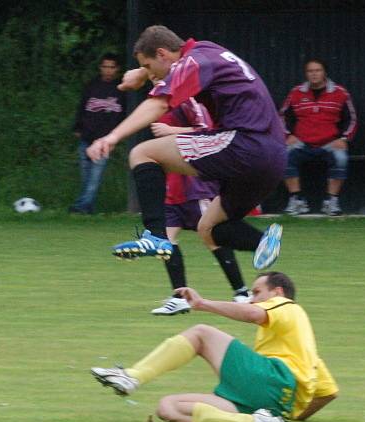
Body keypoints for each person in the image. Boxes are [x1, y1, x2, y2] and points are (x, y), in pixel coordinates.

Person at [86, 25, 285, 270]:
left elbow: (159, 104)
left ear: (161, 54)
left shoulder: (193, 62)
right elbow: (170, 66)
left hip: (244, 144)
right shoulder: (207, 51)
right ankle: (264, 241)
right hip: (274, 158)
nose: (151, 75)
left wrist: (112, 137)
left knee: (143, 153)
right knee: (208, 228)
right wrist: (143, 72)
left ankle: (156, 236)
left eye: (149, 66)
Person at [91, 272, 339, 422]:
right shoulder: (306, 352)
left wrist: (202, 304)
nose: (252, 299)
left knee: (201, 333)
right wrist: (290, 413)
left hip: (272, 379)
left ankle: (132, 376)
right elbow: (328, 393)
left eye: (256, 293)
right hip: (270, 403)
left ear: (278, 292)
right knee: (168, 408)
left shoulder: (287, 306)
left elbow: (253, 314)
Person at [149, 99, 253, 315]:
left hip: (195, 186)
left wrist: (171, 130)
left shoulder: (188, 102)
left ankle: (242, 292)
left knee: (212, 237)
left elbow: (208, 131)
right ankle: (180, 297)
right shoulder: (159, 104)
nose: (156, 81)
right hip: (173, 187)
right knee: (165, 242)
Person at [280, 59, 357, 216]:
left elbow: (352, 119)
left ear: (324, 73)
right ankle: (297, 201)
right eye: (310, 71)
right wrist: (288, 135)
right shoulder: (296, 92)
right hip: (301, 142)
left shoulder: (340, 92)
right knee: (283, 155)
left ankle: (331, 202)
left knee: (341, 158)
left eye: (318, 70)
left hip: (330, 142)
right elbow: (281, 116)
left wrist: (343, 138)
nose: (314, 74)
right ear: (306, 74)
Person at [69, 53, 126, 214]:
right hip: (87, 136)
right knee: (86, 175)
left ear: (117, 69)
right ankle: (87, 206)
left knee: (95, 176)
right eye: (105, 67)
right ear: (100, 68)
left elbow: (123, 115)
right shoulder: (91, 86)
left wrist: (116, 135)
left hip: (104, 140)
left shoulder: (121, 89)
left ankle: (81, 207)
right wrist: (78, 128)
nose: (108, 71)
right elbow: (82, 107)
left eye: (112, 67)